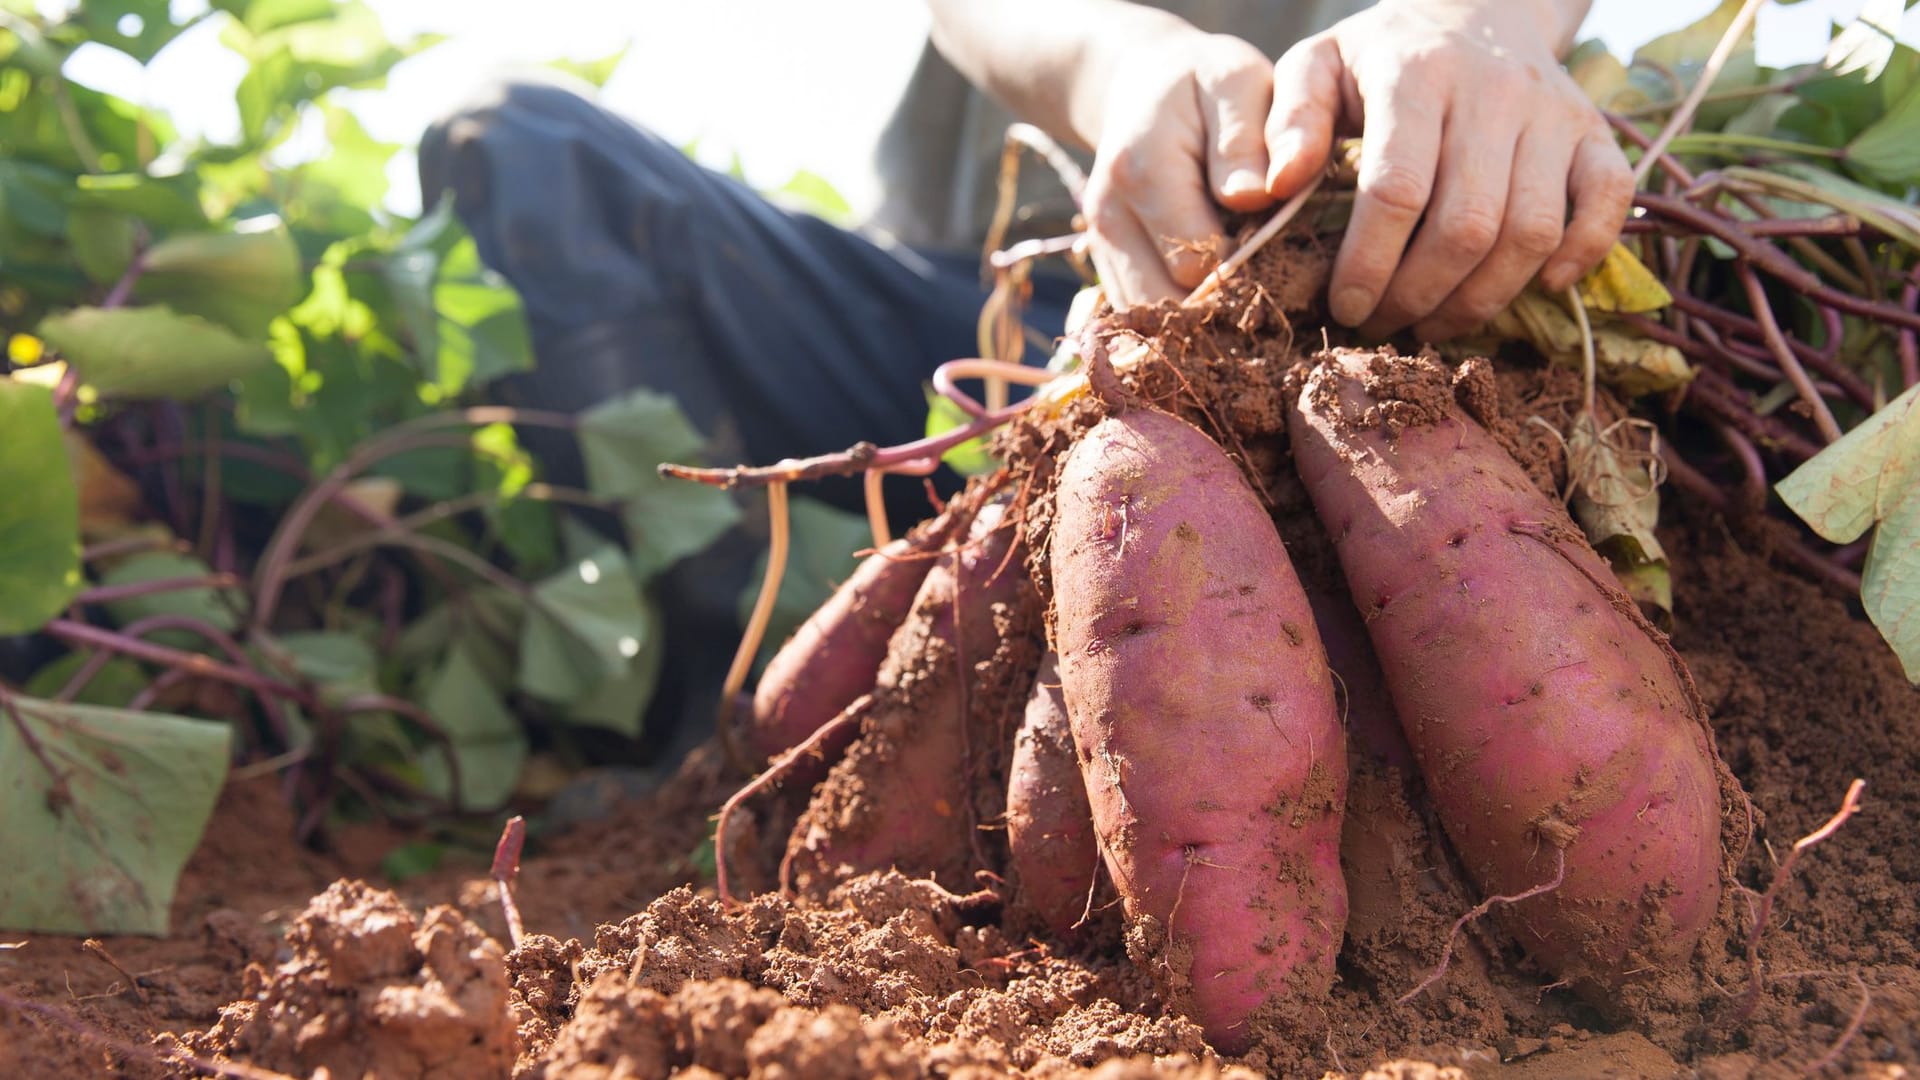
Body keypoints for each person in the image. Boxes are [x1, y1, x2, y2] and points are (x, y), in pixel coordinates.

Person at [417, 0, 1629, 767]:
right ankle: (721, 712)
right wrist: (1125, 65)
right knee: (517, 139)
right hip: (987, 321)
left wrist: (1487, 26)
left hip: (1338, 344)